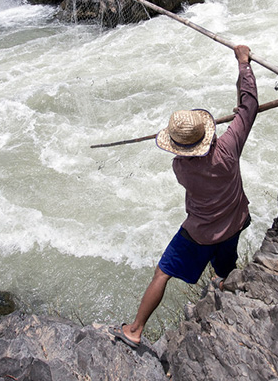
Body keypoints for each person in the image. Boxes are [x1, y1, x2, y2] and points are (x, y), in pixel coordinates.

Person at [110, 44, 258, 349]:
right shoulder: (229, 148)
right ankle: (226, 286)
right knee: (225, 265)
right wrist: (243, 64)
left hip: (201, 233)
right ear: (209, 134)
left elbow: (201, 151)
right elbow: (249, 106)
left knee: (163, 273)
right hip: (234, 222)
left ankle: (135, 329)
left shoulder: (181, 168)